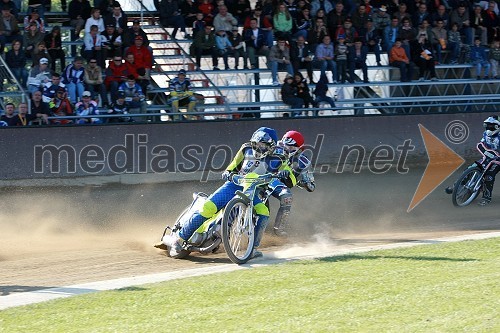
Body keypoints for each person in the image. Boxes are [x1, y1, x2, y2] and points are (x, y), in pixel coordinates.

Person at [160, 127, 294, 259]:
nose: (258, 148)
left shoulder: (280, 157)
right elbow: (232, 166)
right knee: (208, 208)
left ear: (271, 146)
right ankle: (179, 239)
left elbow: (291, 178)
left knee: (263, 212)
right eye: (256, 144)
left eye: (262, 145)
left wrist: (286, 173)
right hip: (233, 185)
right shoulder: (246, 149)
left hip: (254, 190)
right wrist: (228, 173)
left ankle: (253, 249)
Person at [271, 130, 315, 236]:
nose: (287, 149)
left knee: (287, 197)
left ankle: (279, 229)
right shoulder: (271, 148)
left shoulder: (304, 163)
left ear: (300, 149)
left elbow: (312, 186)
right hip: (262, 178)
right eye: (285, 145)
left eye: (291, 148)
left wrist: (303, 183)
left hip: (280, 184)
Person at [477, 116, 500, 206]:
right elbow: (482, 144)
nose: (488, 128)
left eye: (491, 126)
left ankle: (486, 198)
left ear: (497, 127)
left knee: (489, 175)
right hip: (489, 157)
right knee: (473, 166)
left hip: (498, 160)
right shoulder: (485, 134)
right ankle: (457, 185)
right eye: (487, 126)